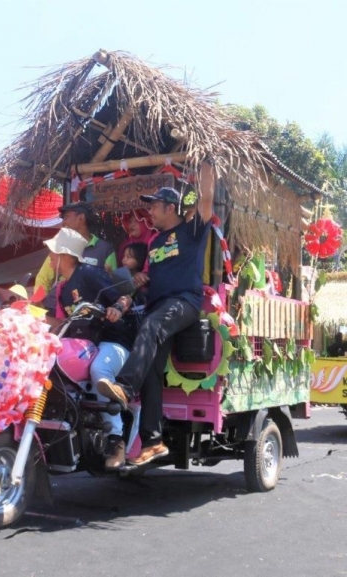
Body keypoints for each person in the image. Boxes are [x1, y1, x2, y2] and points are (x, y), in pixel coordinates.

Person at [98, 160, 215, 466]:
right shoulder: (154, 242)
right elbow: (148, 277)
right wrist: (133, 288)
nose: (149, 212)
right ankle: (153, 441)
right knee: (152, 371)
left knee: (151, 325)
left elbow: (206, 200)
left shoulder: (191, 231)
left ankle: (124, 387)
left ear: (170, 207)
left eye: (154, 207)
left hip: (185, 303)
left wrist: (207, 165)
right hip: (158, 305)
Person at [44, 227, 134, 469]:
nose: (50, 257)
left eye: (53, 252)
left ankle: (116, 441)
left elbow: (126, 297)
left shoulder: (89, 273)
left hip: (114, 341)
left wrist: (117, 308)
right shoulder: (63, 289)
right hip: (86, 345)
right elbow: (62, 323)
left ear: (65, 254)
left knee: (98, 371)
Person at [34, 201, 117, 307]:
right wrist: (39, 304)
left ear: (81, 217)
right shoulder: (60, 247)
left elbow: (112, 285)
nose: (63, 222)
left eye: (67, 217)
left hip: (92, 312)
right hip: (63, 306)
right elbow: (43, 278)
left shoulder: (105, 249)